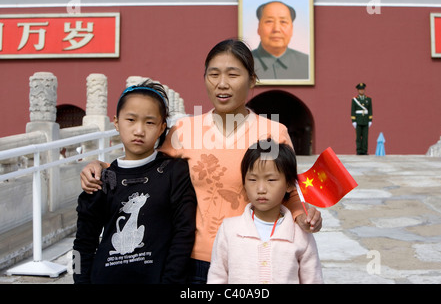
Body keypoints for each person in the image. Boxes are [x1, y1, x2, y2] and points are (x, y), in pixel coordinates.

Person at [80, 39, 322, 284]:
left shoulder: (272, 133)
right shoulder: (185, 131)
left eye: (233, 74)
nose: (222, 84)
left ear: (251, 80)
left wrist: (301, 214)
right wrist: (102, 167)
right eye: (213, 74)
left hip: (249, 257)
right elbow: (146, 168)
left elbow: (288, 192)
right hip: (195, 260)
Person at [73, 81, 197, 284]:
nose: (139, 130)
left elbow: (183, 233)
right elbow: (82, 243)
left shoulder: (173, 172)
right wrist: (80, 282)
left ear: (161, 128)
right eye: (130, 120)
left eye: (149, 122)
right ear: (116, 122)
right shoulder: (102, 178)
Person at [207, 139, 323, 284]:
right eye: (253, 180)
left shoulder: (300, 234)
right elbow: (217, 276)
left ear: (289, 184)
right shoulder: (229, 229)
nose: (261, 189)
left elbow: (312, 279)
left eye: (271, 180)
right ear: (244, 183)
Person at [252, 1, 309, 80]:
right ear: (259, 28)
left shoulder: (307, 63)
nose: (276, 29)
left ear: (292, 29)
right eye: (269, 21)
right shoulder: (245, 62)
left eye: (283, 22)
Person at [351, 82, 373, 155]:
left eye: (363, 89)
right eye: (360, 90)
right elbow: (353, 110)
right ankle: (359, 150)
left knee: (365, 137)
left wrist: (370, 120)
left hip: (365, 120)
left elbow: (370, 110)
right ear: (358, 90)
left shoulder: (368, 99)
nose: (361, 91)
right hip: (358, 120)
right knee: (358, 137)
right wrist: (353, 120)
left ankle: (364, 150)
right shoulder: (354, 100)